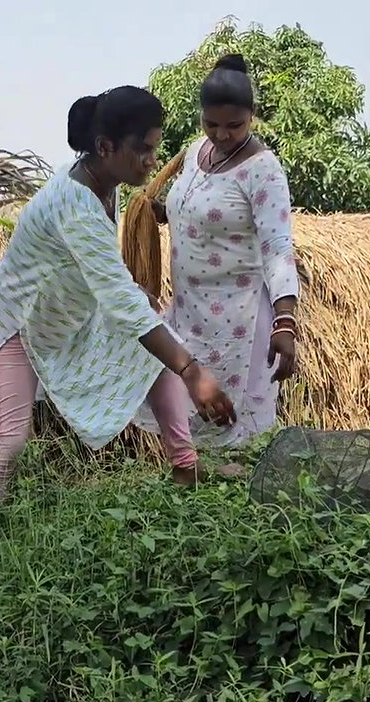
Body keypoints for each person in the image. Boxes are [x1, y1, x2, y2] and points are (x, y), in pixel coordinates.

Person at [0, 85, 236, 574]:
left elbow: (102, 273)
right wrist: (191, 370)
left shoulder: (106, 183)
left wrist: (139, 300)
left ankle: (185, 467)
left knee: (152, 345)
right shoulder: (74, 203)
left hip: (70, 318)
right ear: (106, 147)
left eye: (155, 146)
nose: (151, 160)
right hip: (20, 325)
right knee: (9, 438)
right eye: (143, 148)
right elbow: (119, 298)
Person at [138, 53, 300, 451]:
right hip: (190, 315)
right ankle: (190, 502)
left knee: (234, 439)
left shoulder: (263, 170)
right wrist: (159, 214)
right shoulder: (196, 153)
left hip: (238, 326)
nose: (222, 134)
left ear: (253, 115)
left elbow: (278, 246)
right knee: (186, 424)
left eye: (234, 125)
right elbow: (196, 209)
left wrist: (286, 321)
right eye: (211, 124)